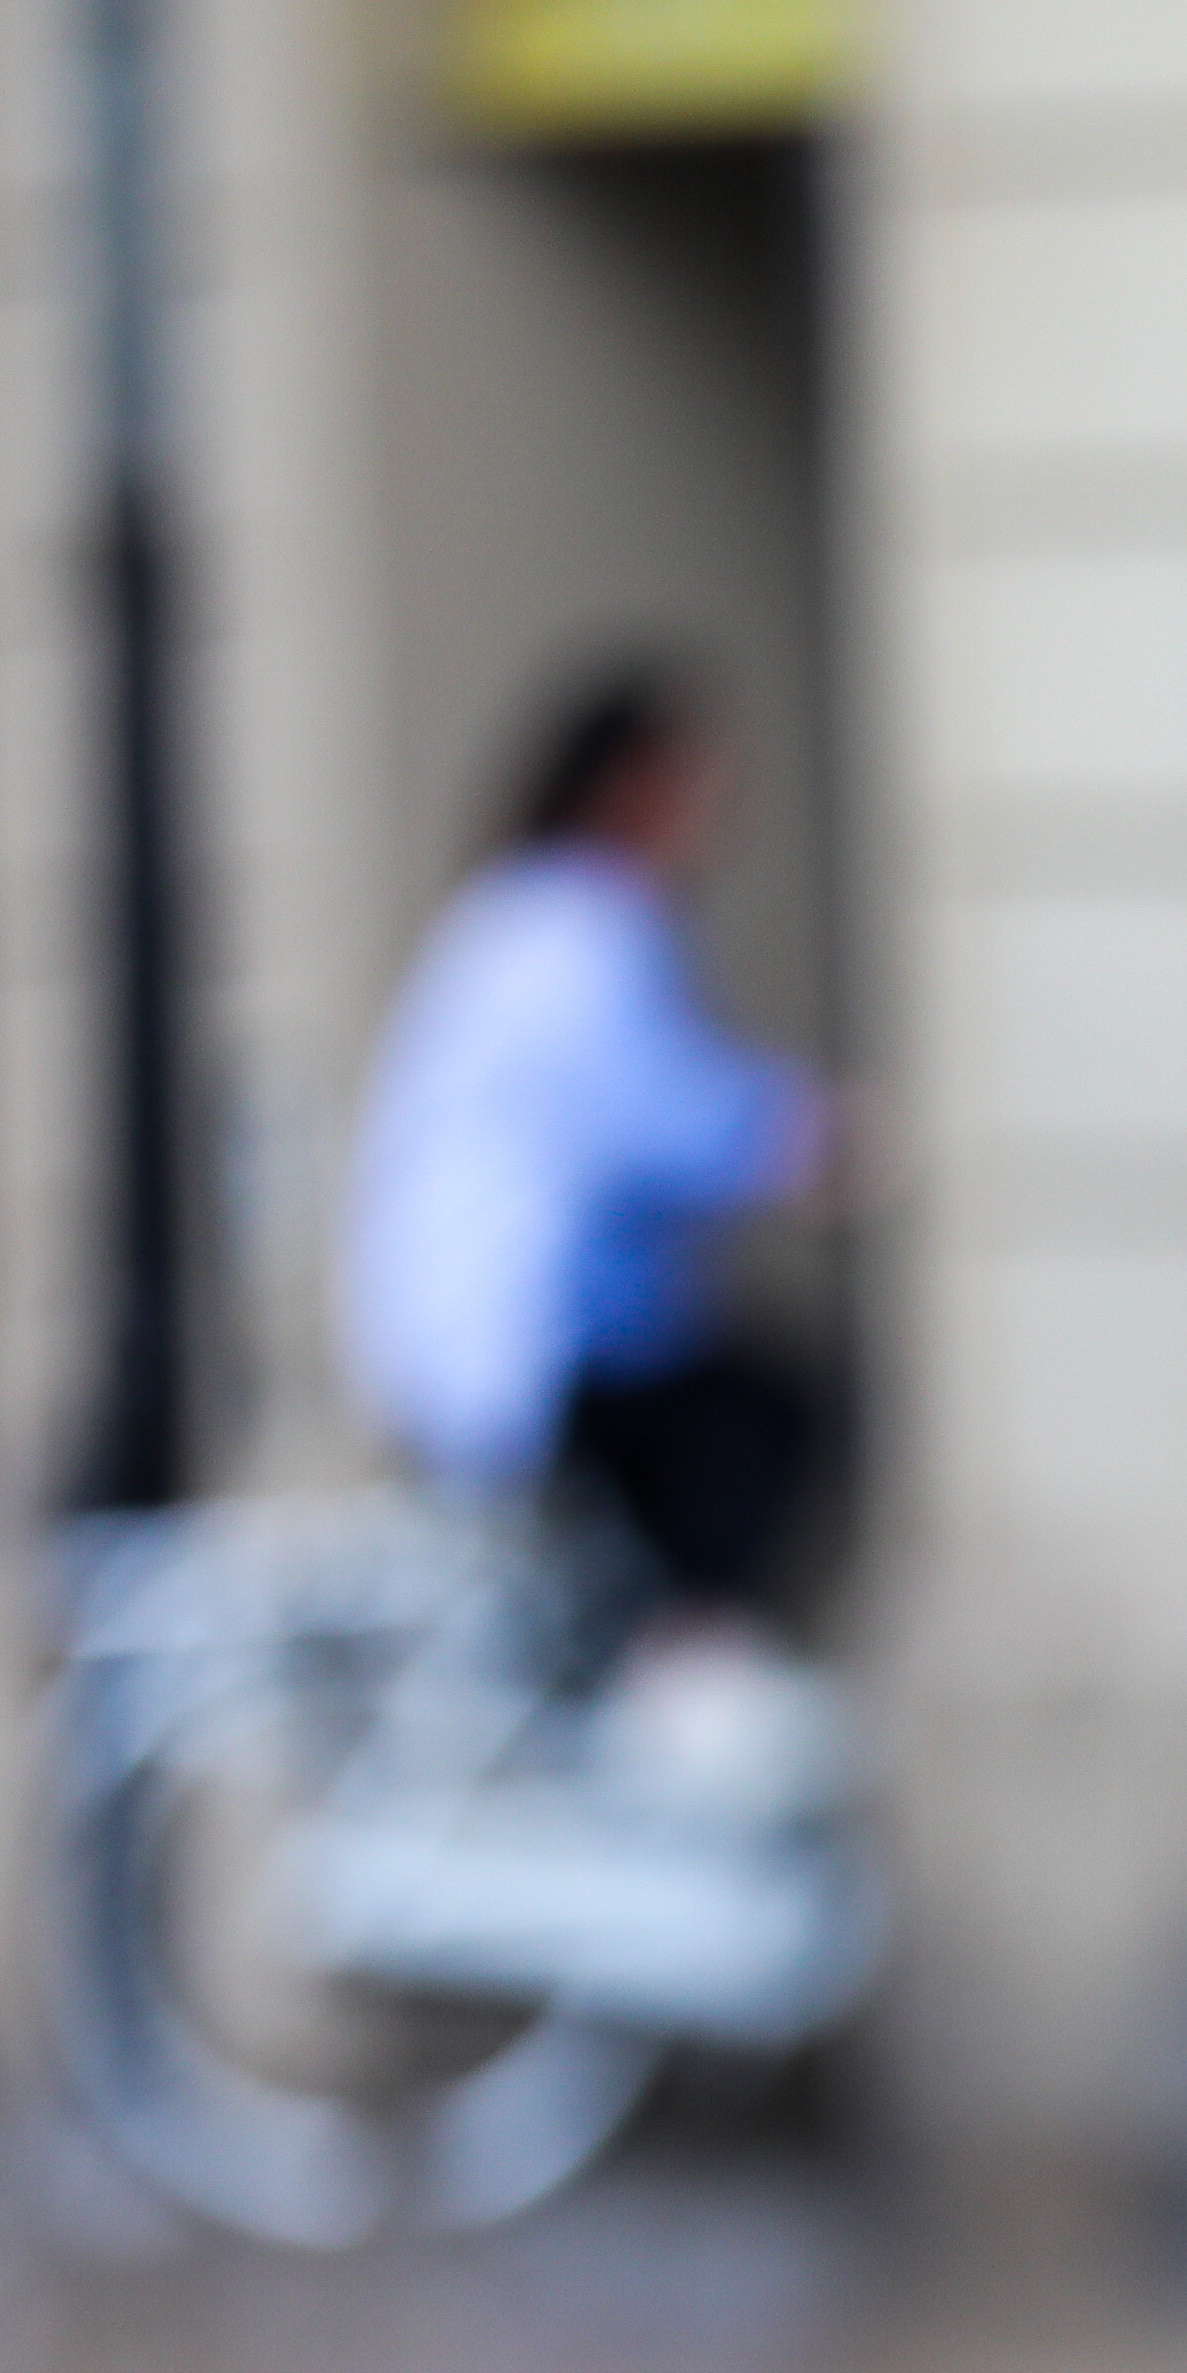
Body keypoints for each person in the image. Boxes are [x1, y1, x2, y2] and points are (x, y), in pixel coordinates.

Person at [337, 658, 837, 1639]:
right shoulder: (584, 928)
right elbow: (663, 1115)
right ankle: (684, 1660)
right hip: (521, 1358)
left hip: (464, 1356)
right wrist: (806, 1133)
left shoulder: (515, 919)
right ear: (632, 786)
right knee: (766, 1418)